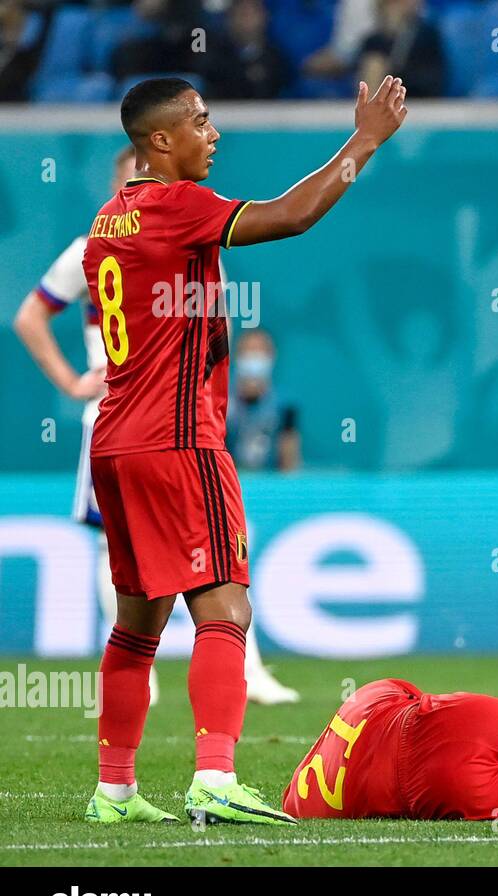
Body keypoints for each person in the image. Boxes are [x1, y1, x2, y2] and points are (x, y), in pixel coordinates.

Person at [81, 74, 407, 827]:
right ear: (159, 142)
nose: (213, 131)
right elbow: (292, 216)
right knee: (226, 602)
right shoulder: (177, 203)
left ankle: (115, 791)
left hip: (117, 441)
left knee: (136, 623)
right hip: (177, 438)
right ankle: (216, 777)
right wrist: (365, 140)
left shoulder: (110, 218)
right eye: (199, 120)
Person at [12, 146, 299, 710]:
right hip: (134, 412)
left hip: (170, 417)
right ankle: (160, 680)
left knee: (215, 551)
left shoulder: (177, 230)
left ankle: (239, 671)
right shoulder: (99, 241)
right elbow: (30, 316)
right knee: (141, 555)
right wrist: (72, 381)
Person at [283, 679, 498, 821]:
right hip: (465, 716)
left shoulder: (299, 804)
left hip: (441, 783)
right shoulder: (369, 694)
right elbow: (409, 693)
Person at [226, 329, 301, 472]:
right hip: (230, 482)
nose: (253, 359)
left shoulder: (285, 405)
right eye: (248, 352)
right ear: (237, 356)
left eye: (259, 352)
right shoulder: (221, 401)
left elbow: (289, 464)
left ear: (271, 357)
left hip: (270, 485)